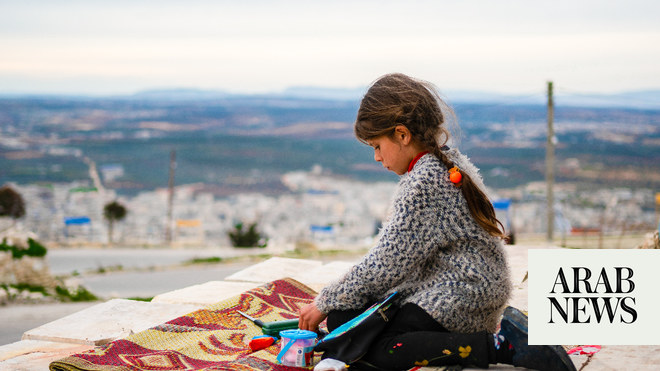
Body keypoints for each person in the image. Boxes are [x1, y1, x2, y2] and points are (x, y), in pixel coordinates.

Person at [299, 73, 575, 371]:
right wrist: (336, 308)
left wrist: (323, 302)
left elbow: (386, 265)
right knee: (345, 320)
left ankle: (503, 347)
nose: (377, 157)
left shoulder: (423, 184)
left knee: (381, 351)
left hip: (464, 293)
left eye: (376, 146)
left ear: (402, 135)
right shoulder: (443, 161)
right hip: (458, 284)